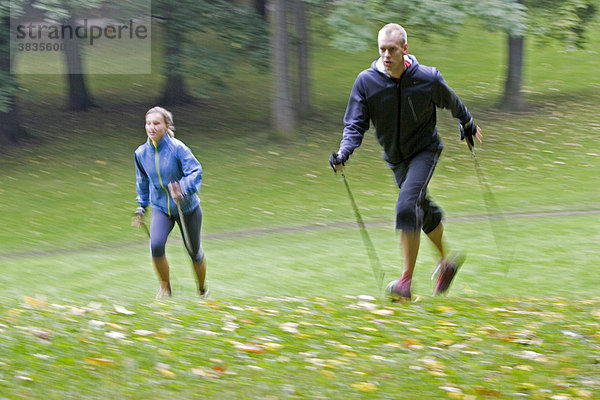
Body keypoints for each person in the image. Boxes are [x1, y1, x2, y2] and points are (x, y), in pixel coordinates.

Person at [329, 23, 482, 301]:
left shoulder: (427, 78)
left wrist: (468, 123)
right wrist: (344, 152)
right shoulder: (367, 82)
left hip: (425, 150)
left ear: (405, 49)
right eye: (382, 50)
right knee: (421, 208)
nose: (386, 55)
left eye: (392, 49)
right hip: (396, 159)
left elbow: (452, 102)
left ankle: (405, 283)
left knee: (406, 204)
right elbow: (355, 124)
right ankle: (446, 265)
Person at [133, 106, 208, 299]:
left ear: (167, 126)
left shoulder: (178, 148)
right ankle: (165, 289)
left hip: (187, 208)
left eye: (156, 123)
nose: (151, 127)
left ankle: (201, 290)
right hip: (161, 208)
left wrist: (182, 188)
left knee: (193, 250)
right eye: (148, 123)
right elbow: (142, 181)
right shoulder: (141, 154)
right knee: (156, 246)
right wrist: (142, 206)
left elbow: (196, 171)